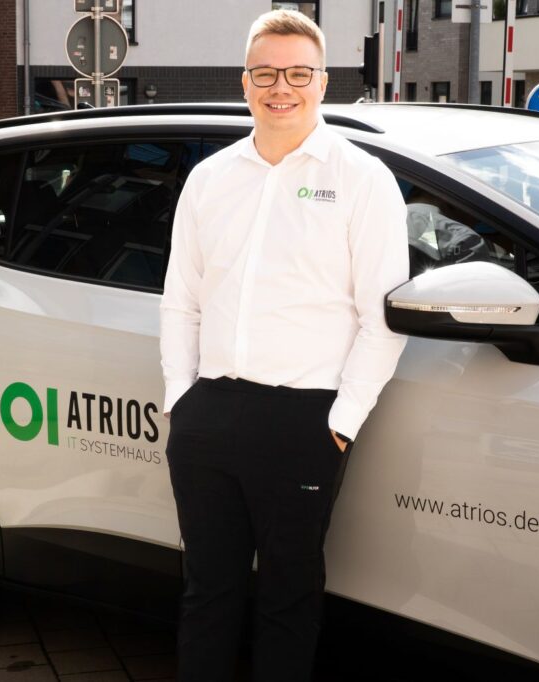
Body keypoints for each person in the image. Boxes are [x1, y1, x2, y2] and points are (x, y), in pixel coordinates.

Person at [159, 9, 410, 681]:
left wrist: (341, 423)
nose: (282, 88)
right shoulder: (209, 179)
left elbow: (382, 319)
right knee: (206, 593)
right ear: (244, 82)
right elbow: (181, 300)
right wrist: (181, 399)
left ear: (322, 82)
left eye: (299, 73)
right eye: (266, 73)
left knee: (288, 600)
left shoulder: (362, 180)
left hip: (305, 420)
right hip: (209, 412)